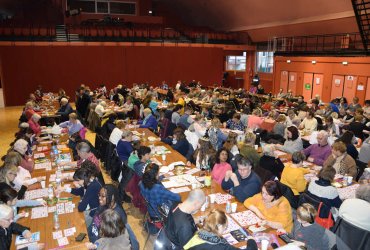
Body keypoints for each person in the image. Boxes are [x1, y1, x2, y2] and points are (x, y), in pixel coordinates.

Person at [87, 185, 138, 249]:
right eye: (99, 195)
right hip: (93, 241)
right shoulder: (103, 206)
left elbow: (110, 241)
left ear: (112, 197)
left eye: (103, 196)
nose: (99, 198)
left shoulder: (117, 215)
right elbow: (94, 222)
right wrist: (87, 234)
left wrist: (96, 245)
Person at [184, 209, 258, 250]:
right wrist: (251, 241)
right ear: (219, 227)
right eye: (225, 227)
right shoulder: (221, 246)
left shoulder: (198, 233)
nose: (224, 229)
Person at [139, 163, 181, 233]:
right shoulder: (157, 188)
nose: (159, 174)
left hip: (151, 209)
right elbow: (178, 197)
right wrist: (171, 191)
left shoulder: (141, 183)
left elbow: (153, 182)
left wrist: (161, 177)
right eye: (158, 173)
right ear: (155, 175)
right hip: (160, 213)